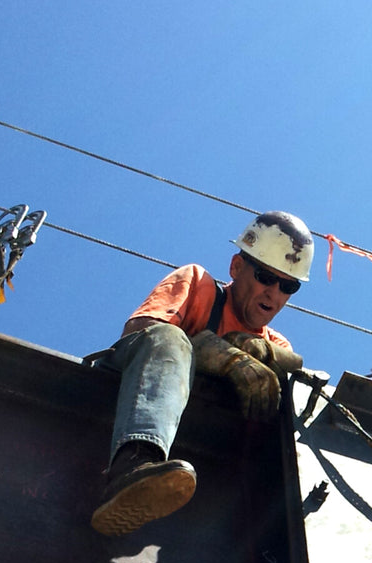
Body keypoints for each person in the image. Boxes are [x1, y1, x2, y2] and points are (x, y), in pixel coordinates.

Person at [91, 210, 310, 536]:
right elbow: (142, 331)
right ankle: (133, 466)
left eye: (288, 285)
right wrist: (217, 353)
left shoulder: (275, 345)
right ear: (237, 268)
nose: (274, 293)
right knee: (169, 337)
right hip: (118, 391)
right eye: (265, 277)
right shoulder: (199, 286)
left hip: (198, 439)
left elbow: (302, 388)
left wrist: (266, 356)